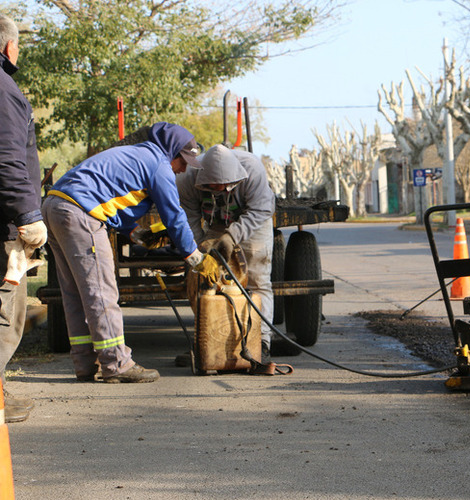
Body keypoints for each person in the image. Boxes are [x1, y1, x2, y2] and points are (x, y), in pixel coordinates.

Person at [41, 122, 219, 383]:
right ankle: (117, 364)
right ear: (172, 152)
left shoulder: (136, 155)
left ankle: (85, 363)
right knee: (101, 290)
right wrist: (194, 257)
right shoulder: (158, 164)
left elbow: (114, 198)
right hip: (81, 213)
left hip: (55, 206)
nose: (183, 169)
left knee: (77, 293)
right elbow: (174, 216)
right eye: (183, 162)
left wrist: (136, 233)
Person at [176, 144, 275, 363]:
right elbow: (189, 216)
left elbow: (262, 209)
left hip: (253, 220)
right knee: (205, 281)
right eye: (213, 186)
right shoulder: (187, 178)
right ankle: (208, 341)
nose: (219, 188)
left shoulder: (252, 169)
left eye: (224, 186)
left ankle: (262, 341)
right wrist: (200, 246)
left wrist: (232, 236)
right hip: (216, 221)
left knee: (258, 281)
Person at [0, 14, 47, 422]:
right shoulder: (4, 90)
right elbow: (8, 159)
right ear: (9, 47)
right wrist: (28, 214)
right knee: (7, 315)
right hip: (4, 223)